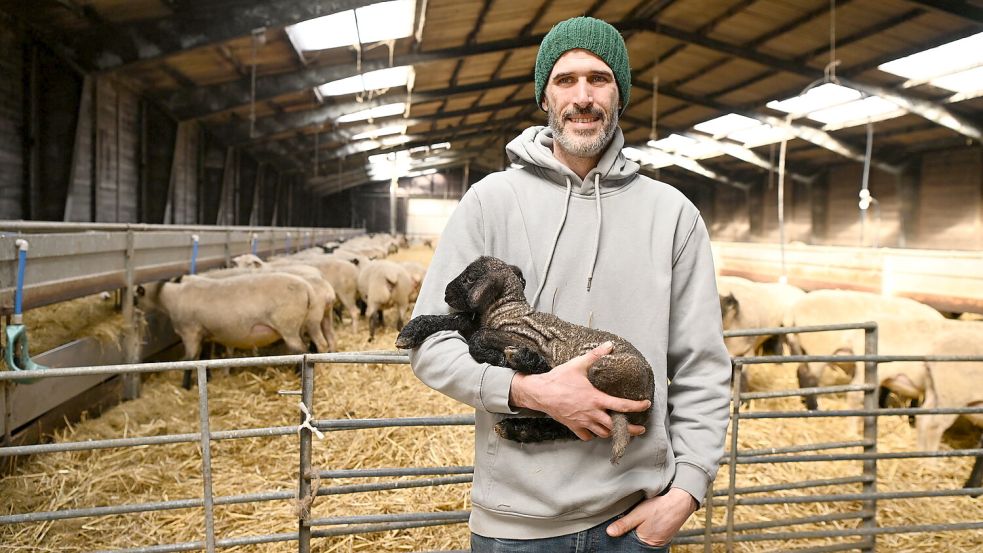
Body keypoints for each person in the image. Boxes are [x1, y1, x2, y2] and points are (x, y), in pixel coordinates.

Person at [407, 16, 731, 552]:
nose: (583, 96)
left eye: (599, 79)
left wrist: (688, 490)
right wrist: (526, 391)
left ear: (620, 94)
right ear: (544, 97)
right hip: (516, 526)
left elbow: (703, 365)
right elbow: (431, 345)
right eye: (565, 79)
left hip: (634, 522)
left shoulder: (673, 215)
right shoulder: (490, 203)